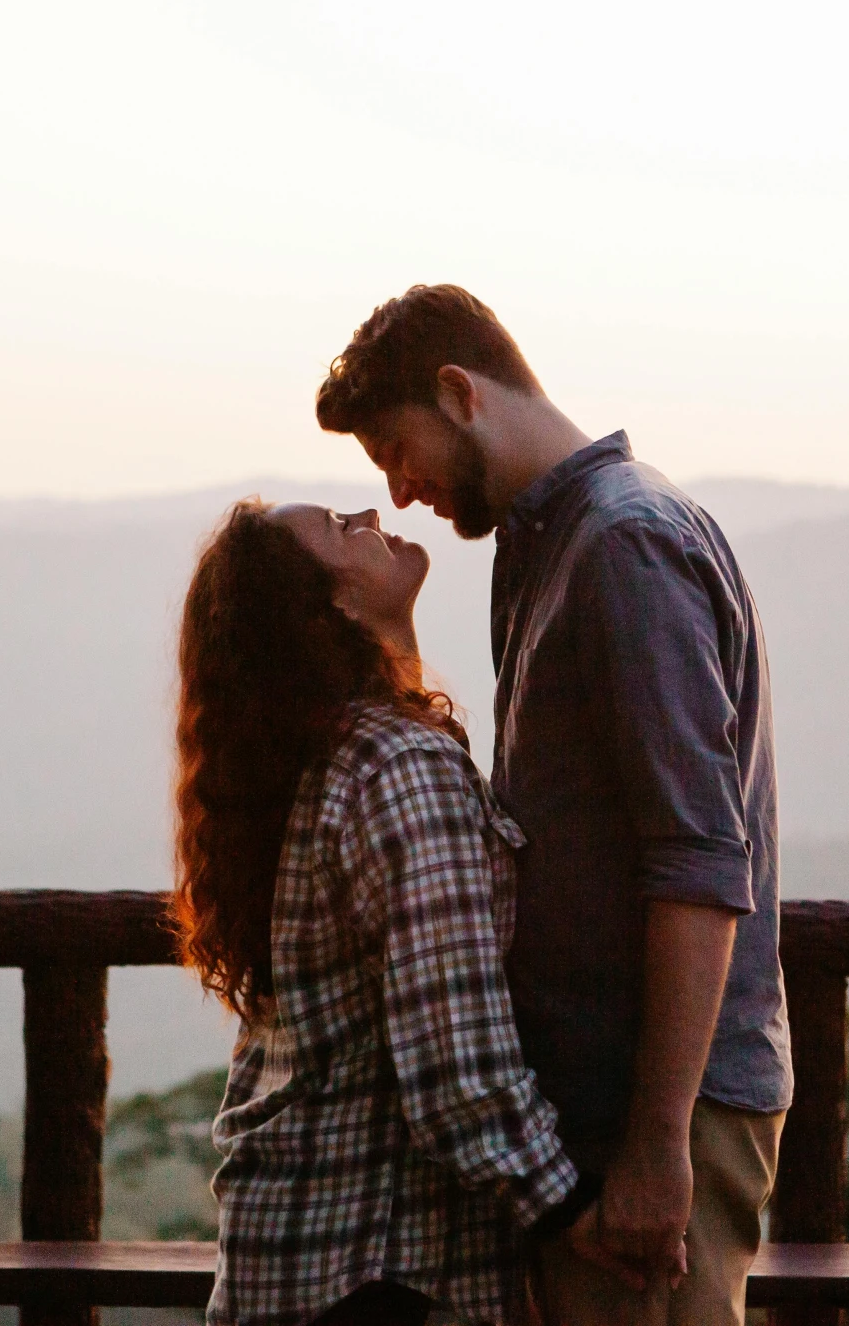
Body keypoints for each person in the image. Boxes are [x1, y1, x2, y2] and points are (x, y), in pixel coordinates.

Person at [316, 287, 791, 1326]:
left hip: (651, 1101)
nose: (398, 492)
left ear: (459, 393)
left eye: (397, 448)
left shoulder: (623, 546)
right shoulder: (543, 546)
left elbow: (701, 860)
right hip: (589, 1104)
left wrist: (657, 1143)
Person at [174, 498, 595, 1326]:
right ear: (328, 608)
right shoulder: (399, 767)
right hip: (379, 1267)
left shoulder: (327, 757)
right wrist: (576, 1216)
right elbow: (455, 1066)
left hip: (302, 1252)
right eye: (338, 526)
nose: (368, 510)